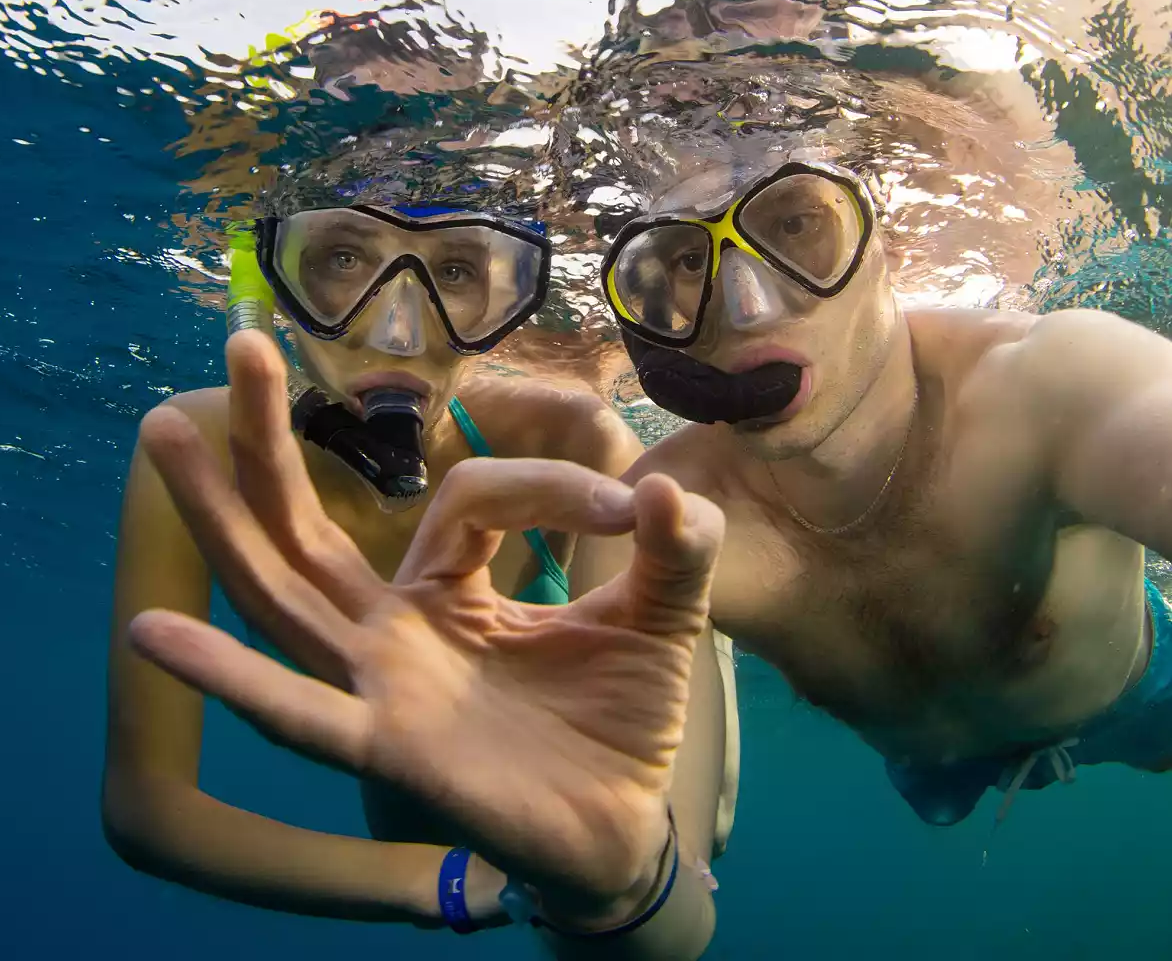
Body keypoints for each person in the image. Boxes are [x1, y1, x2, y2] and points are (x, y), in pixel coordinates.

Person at [101, 191, 736, 955]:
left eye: (459, 271)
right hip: (421, 787)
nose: (401, 332)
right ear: (269, 278)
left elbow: (678, 916)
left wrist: (622, 883)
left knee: (683, 850)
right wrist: (443, 885)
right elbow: (147, 807)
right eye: (342, 259)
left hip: (576, 763)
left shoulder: (571, 440)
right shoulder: (192, 446)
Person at [571, 141, 1172, 830]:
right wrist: (609, 888)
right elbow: (661, 872)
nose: (747, 308)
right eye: (684, 259)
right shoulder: (659, 524)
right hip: (935, 768)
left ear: (883, 242)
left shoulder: (1049, 385)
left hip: (1135, 699)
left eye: (796, 226)